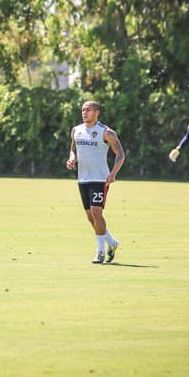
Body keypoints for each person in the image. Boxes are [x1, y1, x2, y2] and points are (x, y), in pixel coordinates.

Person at [65, 100, 126, 264]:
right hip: (82, 178)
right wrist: (72, 159)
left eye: (88, 110)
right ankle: (112, 243)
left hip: (100, 179)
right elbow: (73, 149)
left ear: (97, 113)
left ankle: (100, 251)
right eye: (83, 110)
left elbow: (120, 155)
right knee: (91, 217)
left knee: (96, 212)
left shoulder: (106, 132)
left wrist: (113, 173)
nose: (84, 113)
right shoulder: (76, 130)